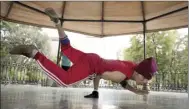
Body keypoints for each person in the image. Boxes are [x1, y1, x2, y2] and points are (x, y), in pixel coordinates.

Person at [9, 8, 157, 98]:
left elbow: (117, 74)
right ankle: (35, 53)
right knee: (65, 81)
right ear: (139, 73)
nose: (144, 83)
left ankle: (57, 23)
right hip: (91, 65)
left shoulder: (131, 65)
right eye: (144, 80)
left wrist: (136, 89)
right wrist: (134, 91)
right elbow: (106, 76)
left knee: (66, 49)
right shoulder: (123, 74)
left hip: (92, 57)